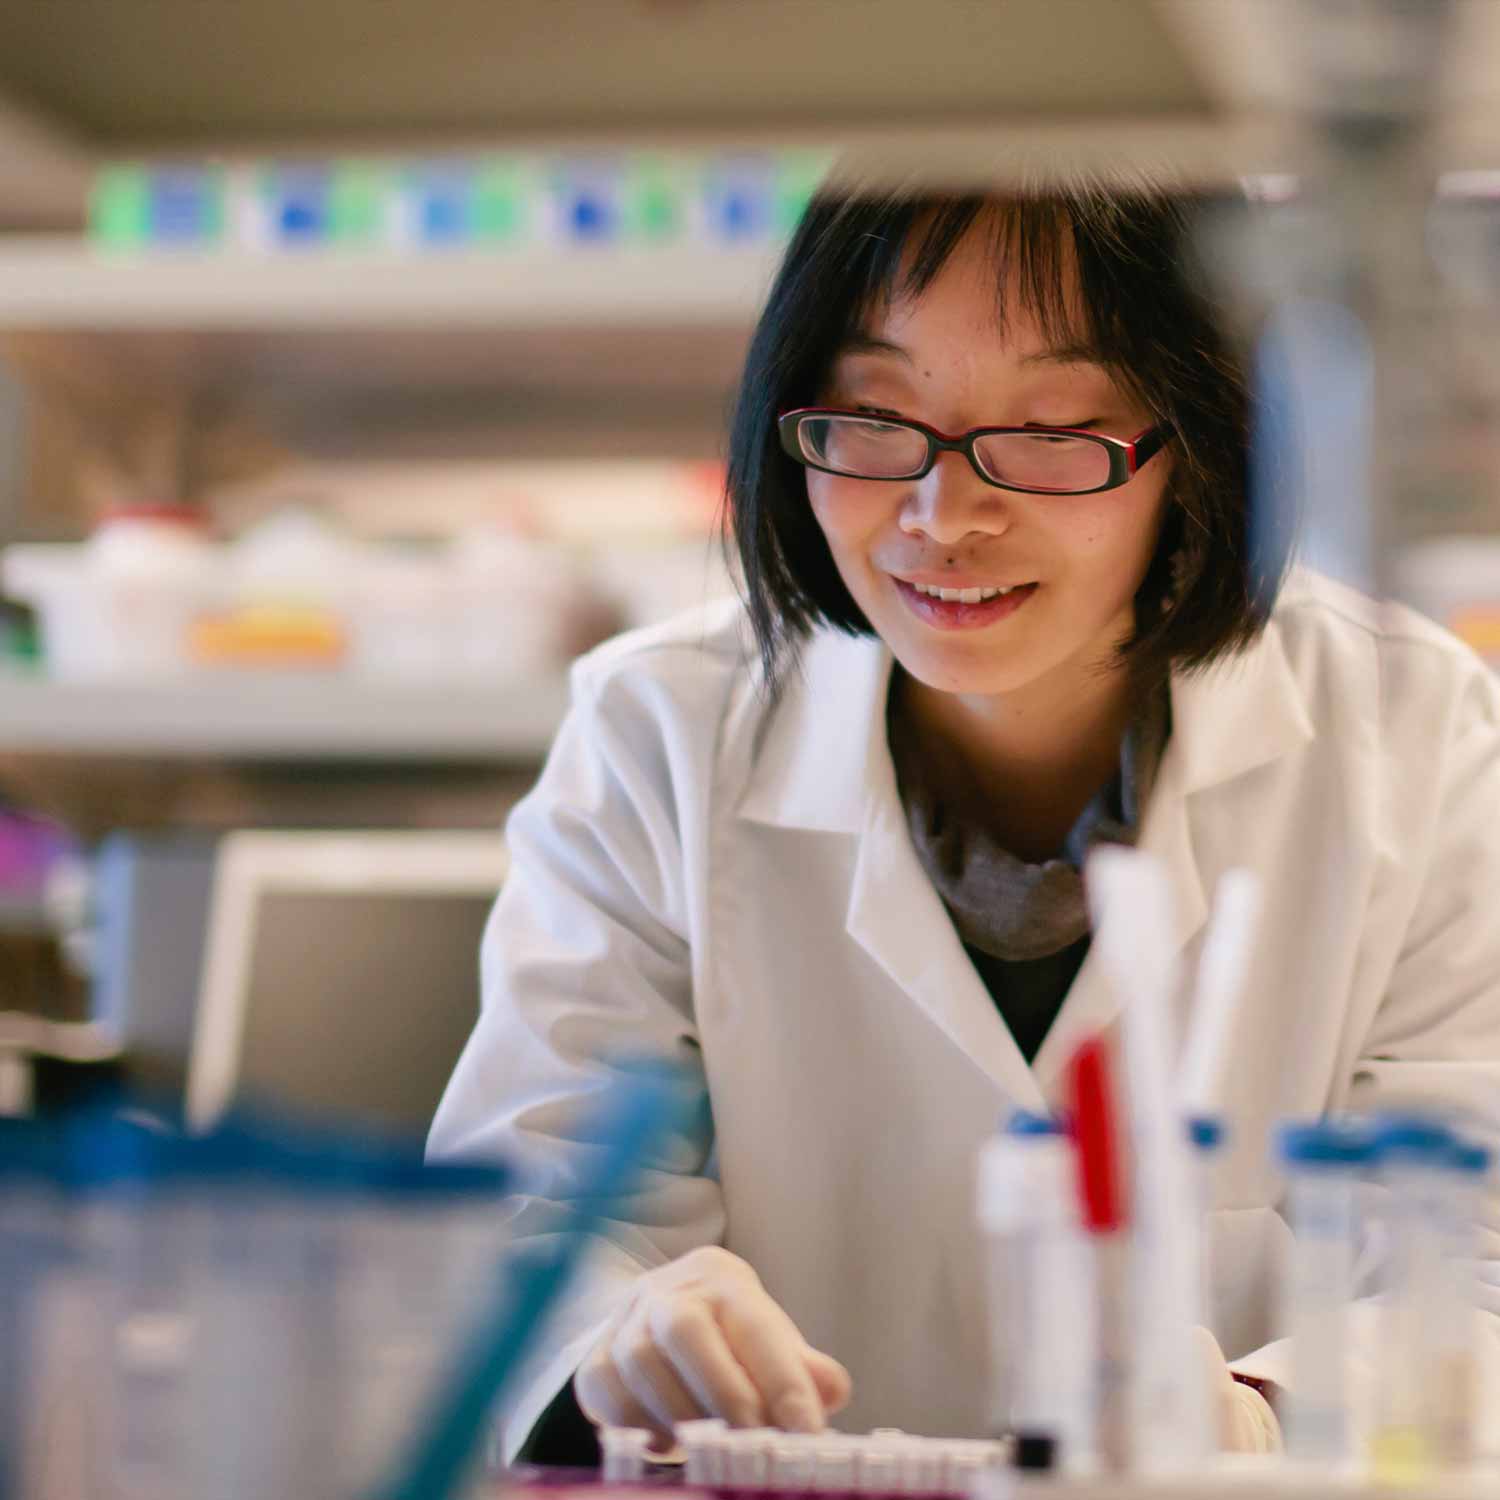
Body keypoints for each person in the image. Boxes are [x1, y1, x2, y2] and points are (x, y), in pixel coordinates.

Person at [429, 182, 1500, 1466]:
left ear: (1202, 438)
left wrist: (1261, 1416)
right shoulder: (659, 730)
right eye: (877, 418)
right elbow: (527, 1215)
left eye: (1052, 428)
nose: (945, 515)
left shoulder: (1412, 726)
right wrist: (617, 1325)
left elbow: (1475, 1263)